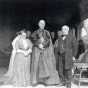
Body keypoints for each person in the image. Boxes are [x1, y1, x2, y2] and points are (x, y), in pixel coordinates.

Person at [31, 19, 60, 86]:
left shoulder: (47, 32)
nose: (42, 25)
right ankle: (35, 81)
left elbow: (49, 41)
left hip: (45, 51)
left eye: (43, 24)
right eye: (41, 23)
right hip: (37, 51)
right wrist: (38, 44)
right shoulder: (35, 32)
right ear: (38, 24)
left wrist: (43, 45)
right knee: (36, 65)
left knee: (46, 65)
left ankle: (46, 82)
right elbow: (33, 39)